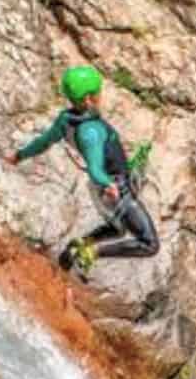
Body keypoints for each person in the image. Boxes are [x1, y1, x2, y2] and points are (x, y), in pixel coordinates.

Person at [9, 66, 160, 270]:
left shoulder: (65, 120)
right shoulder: (91, 132)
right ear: (89, 99)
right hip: (114, 189)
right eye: (98, 92)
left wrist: (20, 155)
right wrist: (109, 184)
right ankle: (91, 252)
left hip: (105, 187)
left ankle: (77, 248)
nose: (101, 96)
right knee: (149, 244)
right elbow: (95, 168)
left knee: (118, 229)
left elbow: (43, 142)